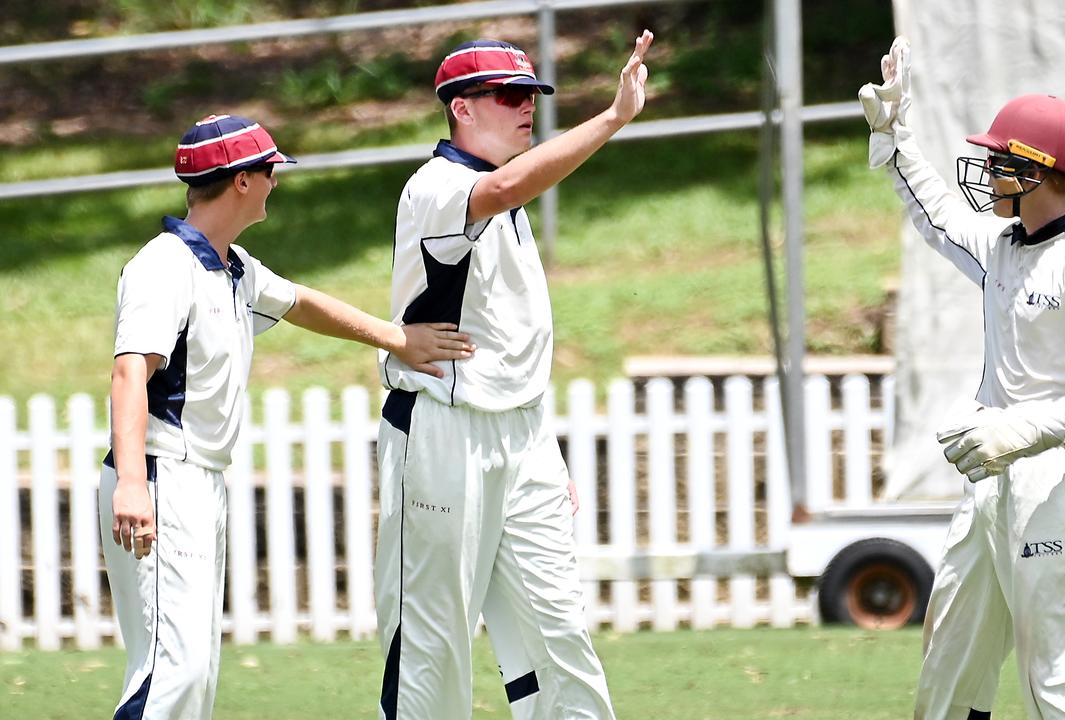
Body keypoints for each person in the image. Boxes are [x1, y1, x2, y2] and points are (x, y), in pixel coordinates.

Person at [101, 114, 473, 720]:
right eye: (270, 170)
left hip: (196, 481)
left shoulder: (234, 266)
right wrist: (134, 485)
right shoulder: (163, 266)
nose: (276, 181)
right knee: (174, 672)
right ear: (241, 180)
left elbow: (303, 304)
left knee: (193, 677)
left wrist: (397, 338)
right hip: (162, 477)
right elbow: (128, 375)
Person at [859, 39, 1065, 720]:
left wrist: (1021, 429)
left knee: (1056, 680)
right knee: (948, 675)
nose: (988, 170)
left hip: (1060, 480)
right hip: (990, 479)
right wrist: (892, 135)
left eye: (1001, 160)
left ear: (1040, 171)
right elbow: (935, 215)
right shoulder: (1001, 246)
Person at [374, 31, 653, 719]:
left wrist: (541, 449)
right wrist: (613, 117)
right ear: (460, 109)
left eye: (531, 96)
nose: (526, 109)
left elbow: (511, 338)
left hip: (520, 436)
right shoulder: (437, 187)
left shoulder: (507, 193)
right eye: (508, 96)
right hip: (442, 431)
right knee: (433, 648)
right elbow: (499, 188)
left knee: (560, 633)